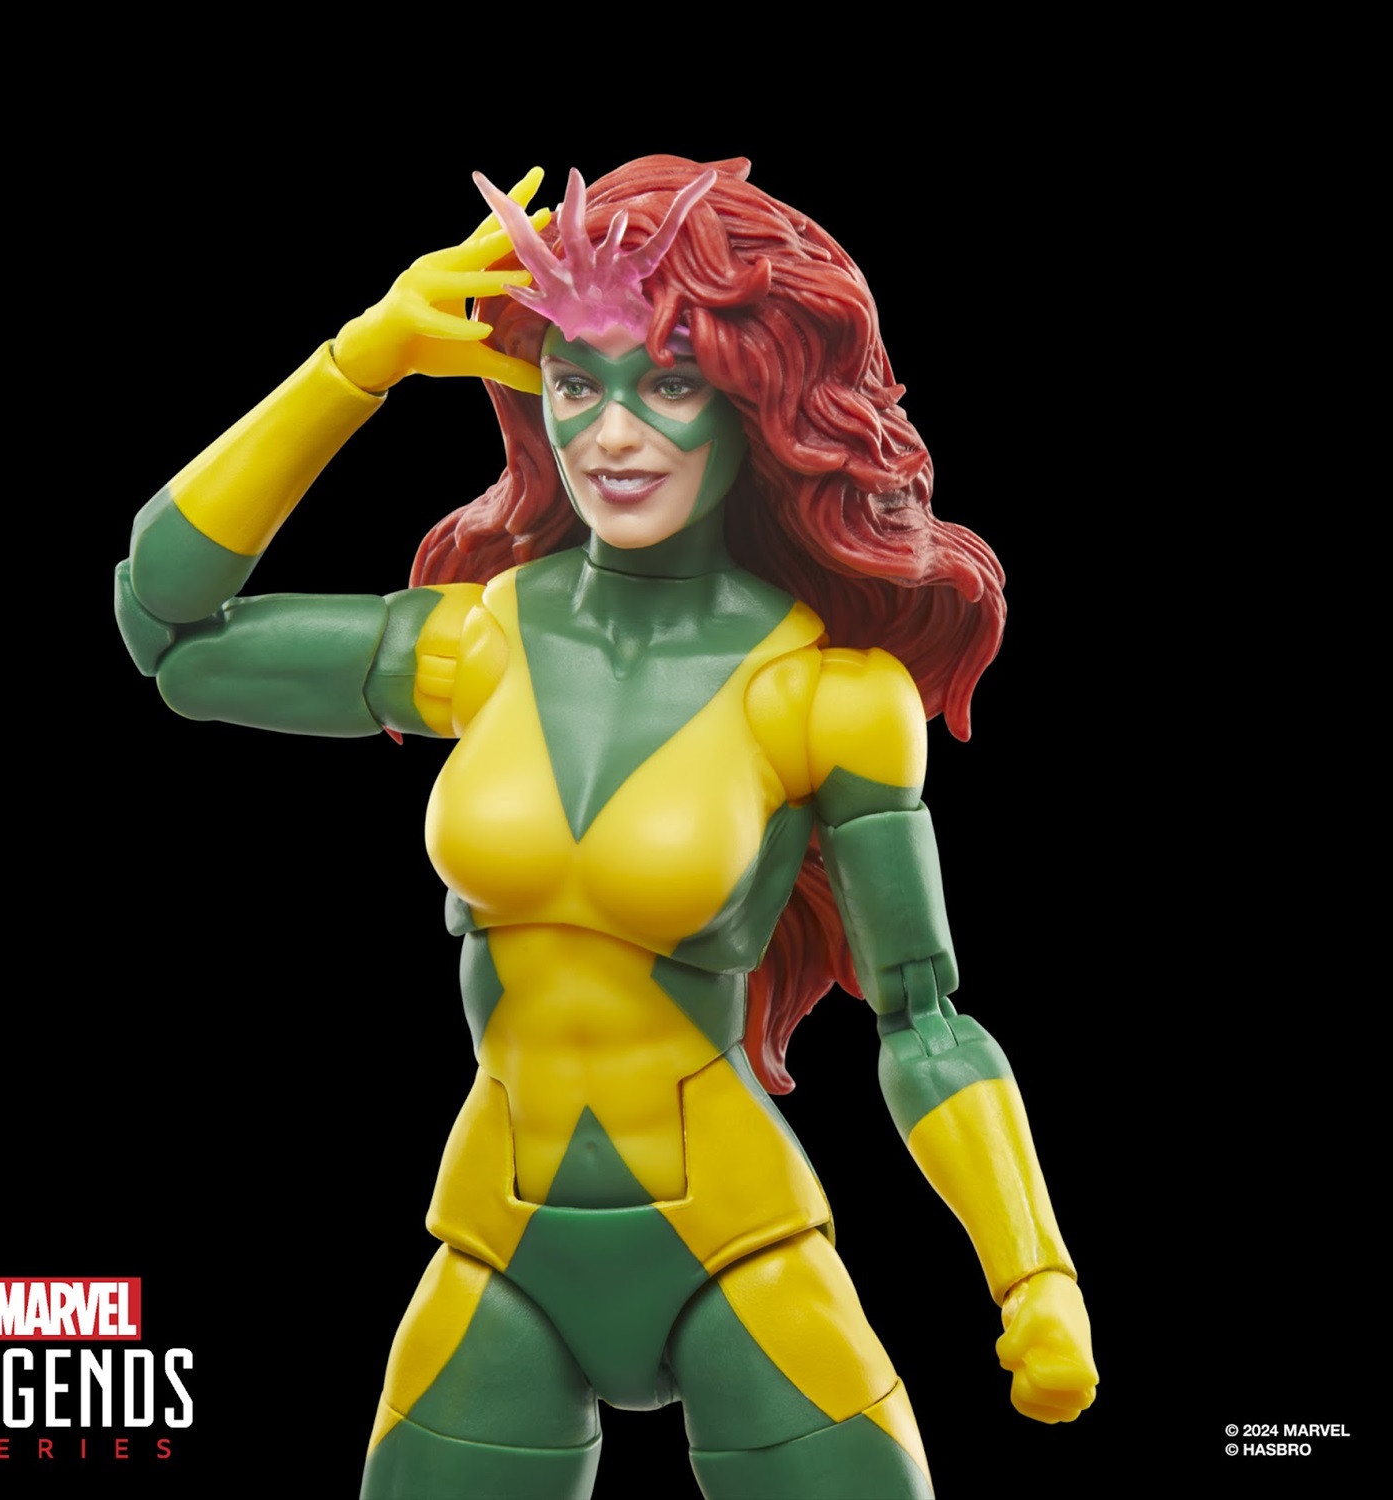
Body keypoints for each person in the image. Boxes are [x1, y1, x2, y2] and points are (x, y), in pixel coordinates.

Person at [115, 155, 1097, 1500]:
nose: (614, 437)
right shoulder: (478, 646)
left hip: (737, 1250)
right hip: (499, 1247)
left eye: (671, 385)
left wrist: (1035, 1277)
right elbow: (170, 631)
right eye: (578, 384)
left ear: (757, 402)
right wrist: (361, 359)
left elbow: (924, 1021)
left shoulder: (828, 698)